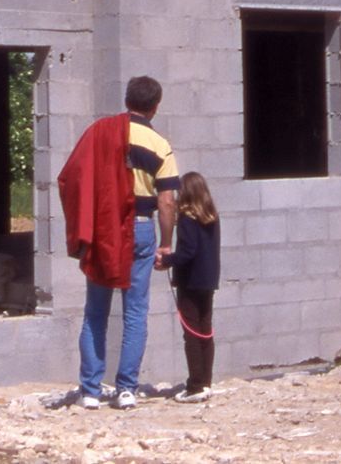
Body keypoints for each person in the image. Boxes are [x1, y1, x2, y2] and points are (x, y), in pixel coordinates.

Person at [60, 75, 179, 409]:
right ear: (155, 106)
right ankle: (127, 388)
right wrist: (166, 244)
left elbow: (71, 177)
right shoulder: (159, 145)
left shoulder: (99, 132)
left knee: (95, 311)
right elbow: (167, 201)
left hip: (103, 229)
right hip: (141, 229)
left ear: (127, 100)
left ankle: (90, 391)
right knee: (136, 311)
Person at [163, 171, 221, 402]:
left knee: (192, 333)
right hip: (208, 281)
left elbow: (187, 253)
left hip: (190, 282)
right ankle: (205, 381)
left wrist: (165, 260)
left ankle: (195, 386)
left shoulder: (187, 219)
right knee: (205, 331)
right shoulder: (212, 216)